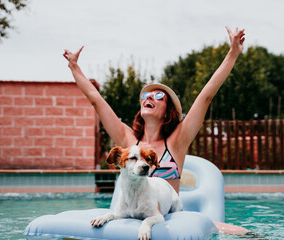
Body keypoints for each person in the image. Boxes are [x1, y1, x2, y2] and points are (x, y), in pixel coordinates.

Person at [63, 26, 245, 194]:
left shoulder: (177, 141)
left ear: (167, 112)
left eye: (159, 97)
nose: (149, 97)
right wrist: (74, 66)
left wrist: (233, 53)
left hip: (168, 222)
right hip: (135, 220)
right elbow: (96, 101)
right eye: (146, 96)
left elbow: (206, 96)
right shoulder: (128, 140)